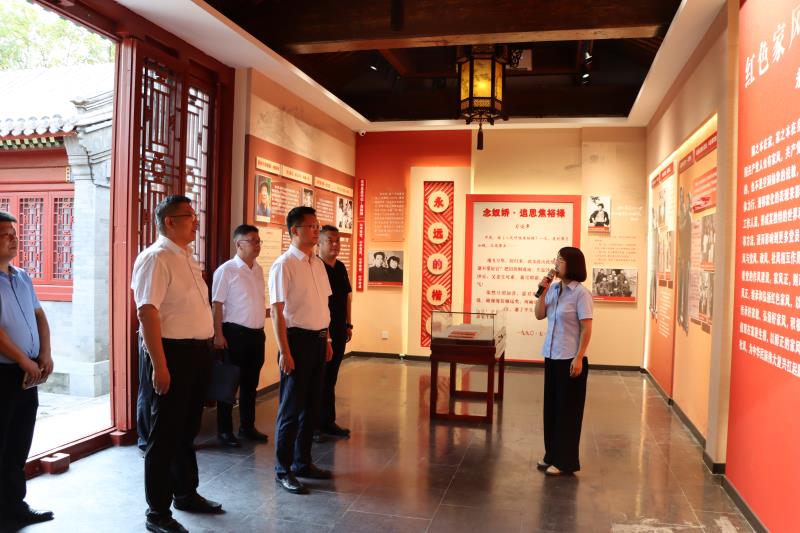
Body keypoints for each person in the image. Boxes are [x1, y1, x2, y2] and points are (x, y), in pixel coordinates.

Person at [131, 195, 222, 533]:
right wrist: (160, 365)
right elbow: (147, 312)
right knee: (164, 435)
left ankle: (185, 492)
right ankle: (157, 512)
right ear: (169, 222)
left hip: (197, 354)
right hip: (171, 354)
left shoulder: (186, 256)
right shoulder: (155, 258)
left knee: (187, 430)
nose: (196, 221)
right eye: (189, 216)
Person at [269, 206, 333, 494]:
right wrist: (285, 351)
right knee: (291, 409)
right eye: (311, 226)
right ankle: (283, 469)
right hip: (296, 341)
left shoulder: (316, 263)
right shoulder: (283, 265)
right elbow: (277, 311)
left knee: (311, 407)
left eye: (317, 226)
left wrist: (327, 340)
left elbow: (323, 306)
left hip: (318, 340)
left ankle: (302, 462)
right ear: (295, 230)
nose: (316, 230)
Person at [0, 211, 55, 528]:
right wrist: (23, 360)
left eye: (14, 233)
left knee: (19, 441)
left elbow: (40, 316)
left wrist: (45, 353)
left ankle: (14, 507)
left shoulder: (21, 276)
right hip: (5, 372)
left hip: (27, 373)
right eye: (5, 235)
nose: (13, 239)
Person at [534, 246, 593, 476]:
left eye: (560, 259)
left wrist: (579, 357)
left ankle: (565, 461)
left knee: (568, 412)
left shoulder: (581, 294)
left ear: (572, 264)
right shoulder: (555, 289)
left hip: (570, 359)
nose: (556, 263)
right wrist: (543, 291)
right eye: (556, 258)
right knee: (551, 409)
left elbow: (586, 328)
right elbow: (539, 314)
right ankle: (551, 455)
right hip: (552, 356)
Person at [212, 224, 269, 447]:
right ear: (239, 244)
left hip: (256, 335)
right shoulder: (226, 270)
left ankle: (247, 427)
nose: (257, 245)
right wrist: (218, 334)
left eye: (258, 241)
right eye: (252, 241)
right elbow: (217, 304)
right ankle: (224, 431)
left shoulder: (258, 269)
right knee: (230, 384)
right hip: (234, 334)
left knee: (250, 384)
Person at [314, 225, 353, 443]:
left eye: (337, 240)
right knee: (318, 379)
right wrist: (326, 334)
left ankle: (328, 421)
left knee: (330, 379)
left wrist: (348, 323)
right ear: (319, 243)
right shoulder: (316, 267)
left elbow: (347, 296)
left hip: (339, 330)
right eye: (330, 240)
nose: (335, 244)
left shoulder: (340, 267)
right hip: (322, 332)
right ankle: (314, 426)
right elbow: (320, 304)